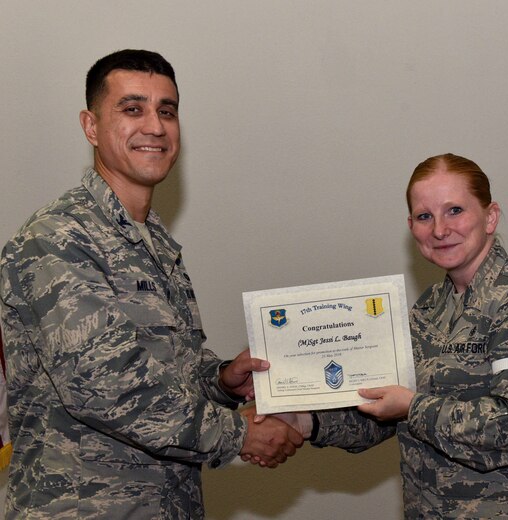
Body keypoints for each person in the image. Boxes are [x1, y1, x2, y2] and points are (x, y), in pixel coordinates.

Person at [0, 49, 303, 518]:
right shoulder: (58, 239)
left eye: (168, 111)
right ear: (91, 126)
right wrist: (240, 433)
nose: (155, 127)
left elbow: (168, 369)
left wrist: (221, 380)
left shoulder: (156, 243)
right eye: (132, 108)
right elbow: (105, 385)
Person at [267, 153, 508, 518]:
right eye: (425, 216)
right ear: (411, 226)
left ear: (490, 216)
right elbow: (384, 409)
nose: (440, 230)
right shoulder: (429, 308)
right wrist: (305, 422)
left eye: (455, 210)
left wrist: (413, 407)